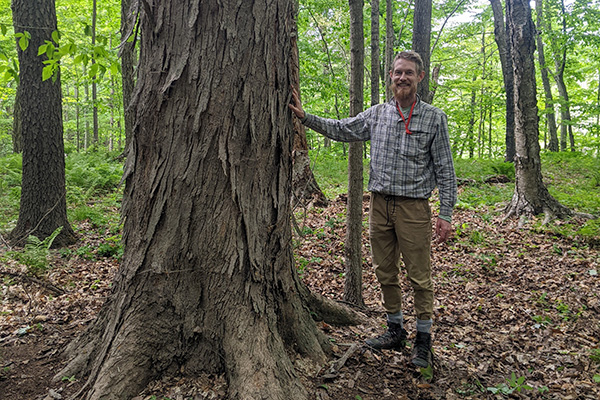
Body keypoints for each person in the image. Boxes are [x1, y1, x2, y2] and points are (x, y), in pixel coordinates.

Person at [289, 50, 457, 368]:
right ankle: (395, 331)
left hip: (414, 209)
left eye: (408, 72)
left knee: (420, 278)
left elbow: (446, 171)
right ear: (390, 77)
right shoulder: (377, 114)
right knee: (385, 272)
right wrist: (305, 118)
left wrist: (445, 214)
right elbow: (343, 129)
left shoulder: (434, 118)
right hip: (379, 206)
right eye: (397, 72)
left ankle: (423, 341)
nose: (402, 77)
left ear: (420, 77)